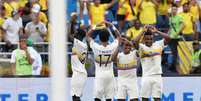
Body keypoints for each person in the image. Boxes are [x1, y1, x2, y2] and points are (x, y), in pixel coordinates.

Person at [86, 21, 121, 101]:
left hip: (99, 77)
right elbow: (119, 37)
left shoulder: (96, 47)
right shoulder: (112, 46)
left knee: (97, 98)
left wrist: (96, 25)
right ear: (109, 37)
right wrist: (112, 26)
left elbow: (88, 36)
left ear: (99, 37)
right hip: (110, 76)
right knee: (109, 99)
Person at [134, 25, 170, 101]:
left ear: (153, 39)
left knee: (157, 99)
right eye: (147, 39)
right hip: (146, 76)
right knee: (145, 99)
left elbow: (168, 38)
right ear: (144, 39)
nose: (149, 41)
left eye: (151, 39)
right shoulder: (141, 47)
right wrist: (143, 31)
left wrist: (157, 31)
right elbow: (134, 41)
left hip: (157, 76)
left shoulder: (158, 44)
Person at [71, 31, 88, 101]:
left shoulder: (79, 44)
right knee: (75, 97)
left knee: (75, 97)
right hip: (78, 73)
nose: (74, 35)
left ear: (79, 36)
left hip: (79, 73)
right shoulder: (81, 44)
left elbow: (68, 36)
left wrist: (70, 22)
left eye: (76, 33)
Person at [168, 4, 184, 72]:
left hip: (177, 37)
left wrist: (177, 33)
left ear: (177, 10)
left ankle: (174, 67)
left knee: (176, 53)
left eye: (175, 9)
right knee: (173, 52)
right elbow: (170, 28)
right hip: (171, 37)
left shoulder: (179, 17)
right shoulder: (170, 18)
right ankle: (173, 66)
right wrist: (168, 34)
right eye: (172, 9)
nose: (173, 11)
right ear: (171, 10)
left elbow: (183, 25)